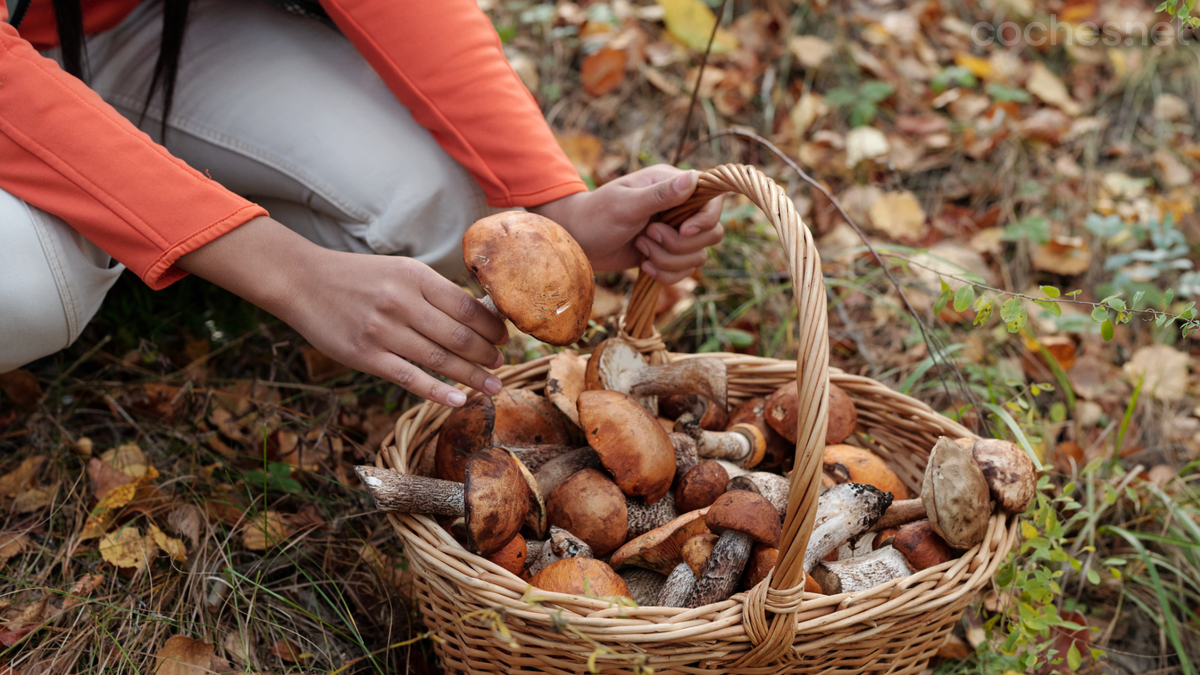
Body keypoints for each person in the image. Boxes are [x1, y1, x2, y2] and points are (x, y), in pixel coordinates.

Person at [0, 0, 725, 408]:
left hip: (137, 22)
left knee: (456, 213)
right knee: (31, 291)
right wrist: (291, 273)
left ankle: (154, 218)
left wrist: (552, 204)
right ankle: (139, 233)